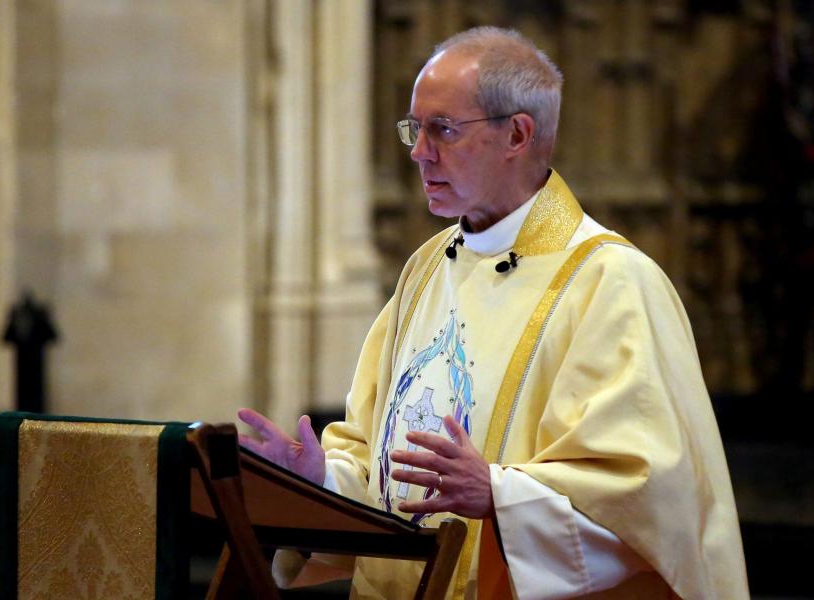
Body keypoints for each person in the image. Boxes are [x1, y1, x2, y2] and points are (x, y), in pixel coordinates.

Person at [239, 26, 748, 599]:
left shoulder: (612, 283)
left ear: (518, 134)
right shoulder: (426, 269)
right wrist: (317, 480)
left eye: (443, 130)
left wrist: (499, 495)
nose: (418, 151)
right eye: (415, 127)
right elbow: (379, 465)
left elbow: (652, 496)